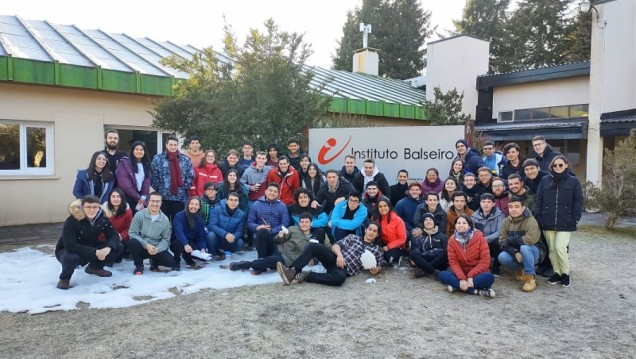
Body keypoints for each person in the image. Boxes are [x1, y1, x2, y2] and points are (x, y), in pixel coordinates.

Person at [276, 222, 386, 286]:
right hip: (335, 258)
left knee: (339, 280)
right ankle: (292, 272)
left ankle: (306, 275)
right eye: (370, 229)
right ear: (366, 230)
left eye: (374, 231)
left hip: (344, 269)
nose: (371, 232)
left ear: (377, 235)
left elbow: (380, 264)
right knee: (314, 246)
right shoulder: (353, 237)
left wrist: (378, 269)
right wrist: (339, 255)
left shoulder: (376, 250)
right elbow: (335, 246)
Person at [55, 195, 124, 289]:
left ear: (99, 207)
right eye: (88, 207)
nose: (92, 210)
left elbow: (114, 236)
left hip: (90, 246)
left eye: (95, 207)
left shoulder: (103, 219)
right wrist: (94, 252)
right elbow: (70, 246)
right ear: (82, 207)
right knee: (71, 258)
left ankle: (94, 268)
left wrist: (108, 248)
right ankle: (64, 279)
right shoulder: (72, 221)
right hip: (67, 250)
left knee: (118, 246)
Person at [534, 155, 583, 287]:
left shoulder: (573, 181)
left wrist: (575, 217)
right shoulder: (545, 180)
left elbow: (578, 201)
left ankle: (565, 274)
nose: (557, 167)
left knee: (560, 247)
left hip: (566, 221)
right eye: (555, 165)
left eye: (560, 165)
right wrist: (539, 215)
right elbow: (539, 199)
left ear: (566, 165)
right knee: (552, 250)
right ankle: (557, 272)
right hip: (547, 220)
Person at [228, 213, 314, 275]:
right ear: (299, 223)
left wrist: (313, 260)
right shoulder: (293, 229)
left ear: (311, 223)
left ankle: (247, 264)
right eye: (302, 222)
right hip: (277, 248)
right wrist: (280, 236)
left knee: (275, 260)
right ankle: (261, 263)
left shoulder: (313, 238)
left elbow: (316, 253)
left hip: (286, 259)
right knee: (262, 231)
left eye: (307, 222)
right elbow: (277, 241)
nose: (304, 224)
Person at [439, 214, 495, 298]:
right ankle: (477, 291)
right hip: (461, 273)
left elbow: (485, 261)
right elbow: (453, 262)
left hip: (477, 274)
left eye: (464, 223)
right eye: (458, 223)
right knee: (442, 274)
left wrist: (470, 276)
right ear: (455, 225)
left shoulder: (480, 238)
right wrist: (462, 278)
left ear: (470, 226)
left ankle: (458, 287)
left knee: (489, 277)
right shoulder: (452, 240)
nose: (461, 225)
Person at [498, 196, 545, 292]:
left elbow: (530, 239)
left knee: (524, 248)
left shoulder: (530, 220)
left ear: (523, 208)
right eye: (511, 207)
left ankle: (530, 278)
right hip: (517, 253)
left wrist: (511, 240)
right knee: (502, 257)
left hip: (535, 252)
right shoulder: (506, 222)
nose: (513, 209)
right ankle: (521, 271)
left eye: (516, 206)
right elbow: (502, 242)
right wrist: (515, 252)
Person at [127, 191, 178, 274]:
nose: (155, 203)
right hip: (142, 246)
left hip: (155, 248)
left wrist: (158, 248)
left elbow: (166, 239)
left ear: (161, 203)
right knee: (132, 243)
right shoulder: (139, 215)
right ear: (149, 201)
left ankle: (154, 262)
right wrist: (146, 245)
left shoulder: (165, 220)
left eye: (157, 201)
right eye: (152, 201)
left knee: (170, 262)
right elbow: (132, 233)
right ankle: (139, 265)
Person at [150, 135, 194, 227]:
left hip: (179, 198)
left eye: (175, 145)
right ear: (166, 145)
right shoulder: (158, 159)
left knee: (177, 224)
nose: (173, 147)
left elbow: (190, 176)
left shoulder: (185, 160)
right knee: (162, 223)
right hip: (163, 198)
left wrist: (184, 188)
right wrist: (160, 189)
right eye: (171, 145)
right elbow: (153, 176)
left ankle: (175, 241)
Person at [247, 182, 290, 264]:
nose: (272, 193)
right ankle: (261, 260)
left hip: (277, 236)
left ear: (278, 194)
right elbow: (250, 223)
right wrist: (258, 227)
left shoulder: (282, 206)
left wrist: (272, 231)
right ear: (265, 191)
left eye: (275, 192)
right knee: (262, 231)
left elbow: (285, 222)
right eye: (270, 190)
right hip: (261, 237)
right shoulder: (256, 204)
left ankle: (264, 262)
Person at [471, 193, 505, 276]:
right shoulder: (474, 216)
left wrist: (485, 239)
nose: (486, 204)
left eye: (489, 202)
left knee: (498, 242)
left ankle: (496, 267)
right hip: (479, 242)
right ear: (480, 203)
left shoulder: (500, 215)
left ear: (493, 204)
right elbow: (472, 230)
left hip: (493, 242)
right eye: (483, 201)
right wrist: (480, 239)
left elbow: (499, 232)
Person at [171, 197, 208, 269]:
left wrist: (203, 247)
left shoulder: (199, 220)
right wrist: (185, 244)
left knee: (202, 256)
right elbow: (179, 231)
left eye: (196, 204)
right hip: (178, 241)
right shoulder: (179, 216)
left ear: (199, 207)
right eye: (192, 204)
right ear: (188, 205)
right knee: (178, 244)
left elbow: (201, 237)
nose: (193, 206)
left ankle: (187, 256)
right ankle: (176, 260)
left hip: (191, 242)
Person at [115, 140, 151, 214]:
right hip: (126, 198)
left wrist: (143, 198)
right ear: (132, 151)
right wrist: (138, 198)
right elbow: (125, 184)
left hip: (140, 199)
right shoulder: (124, 163)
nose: (139, 151)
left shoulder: (146, 165)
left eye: (141, 149)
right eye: (136, 149)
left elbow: (146, 184)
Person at [207, 192, 246, 258]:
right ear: (226, 201)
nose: (233, 202)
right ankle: (213, 253)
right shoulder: (217, 209)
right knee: (210, 235)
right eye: (231, 200)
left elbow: (239, 231)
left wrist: (233, 237)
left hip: (229, 240)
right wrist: (225, 234)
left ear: (238, 202)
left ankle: (226, 253)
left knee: (240, 242)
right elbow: (212, 225)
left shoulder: (241, 214)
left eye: (235, 200)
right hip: (218, 238)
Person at [410, 213, 448, 279]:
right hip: (425, 259)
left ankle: (424, 270)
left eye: (430, 220)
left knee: (446, 250)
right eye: (426, 220)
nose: (428, 222)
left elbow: (446, 252)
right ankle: (433, 271)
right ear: (423, 223)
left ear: (434, 222)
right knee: (413, 253)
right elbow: (417, 250)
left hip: (439, 261)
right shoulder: (420, 236)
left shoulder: (441, 235)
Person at [100, 188, 133, 262]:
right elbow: (99, 228)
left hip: (120, 237)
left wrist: (122, 235)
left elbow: (129, 227)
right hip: (105, 238)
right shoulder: (102, 210)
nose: (116, 199)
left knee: (119, 257)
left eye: (118, 196)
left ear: (122, 198)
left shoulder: (127, 211)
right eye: (113, 196)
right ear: (109, 198)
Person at [372, 198, 406, 265]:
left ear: (389, 207)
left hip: (397, 246)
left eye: (385, 206)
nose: (383, 208)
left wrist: (388, 247)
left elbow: (402, 239)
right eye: (380, 206)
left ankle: (398, 257)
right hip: (382, 242)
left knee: (389, 258)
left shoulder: (397, 220)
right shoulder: (375, 218)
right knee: (373, 253)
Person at [394, 181, 424, 246]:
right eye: (412, 190)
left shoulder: (425, 203)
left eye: (416, 190)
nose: (414, 191)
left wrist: (422, 230)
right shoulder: (401, 203)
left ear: (420, 191)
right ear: (409, 191)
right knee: (405, 235)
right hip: (406, 228)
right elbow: (396, 218)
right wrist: (411, 230)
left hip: (421, 228)